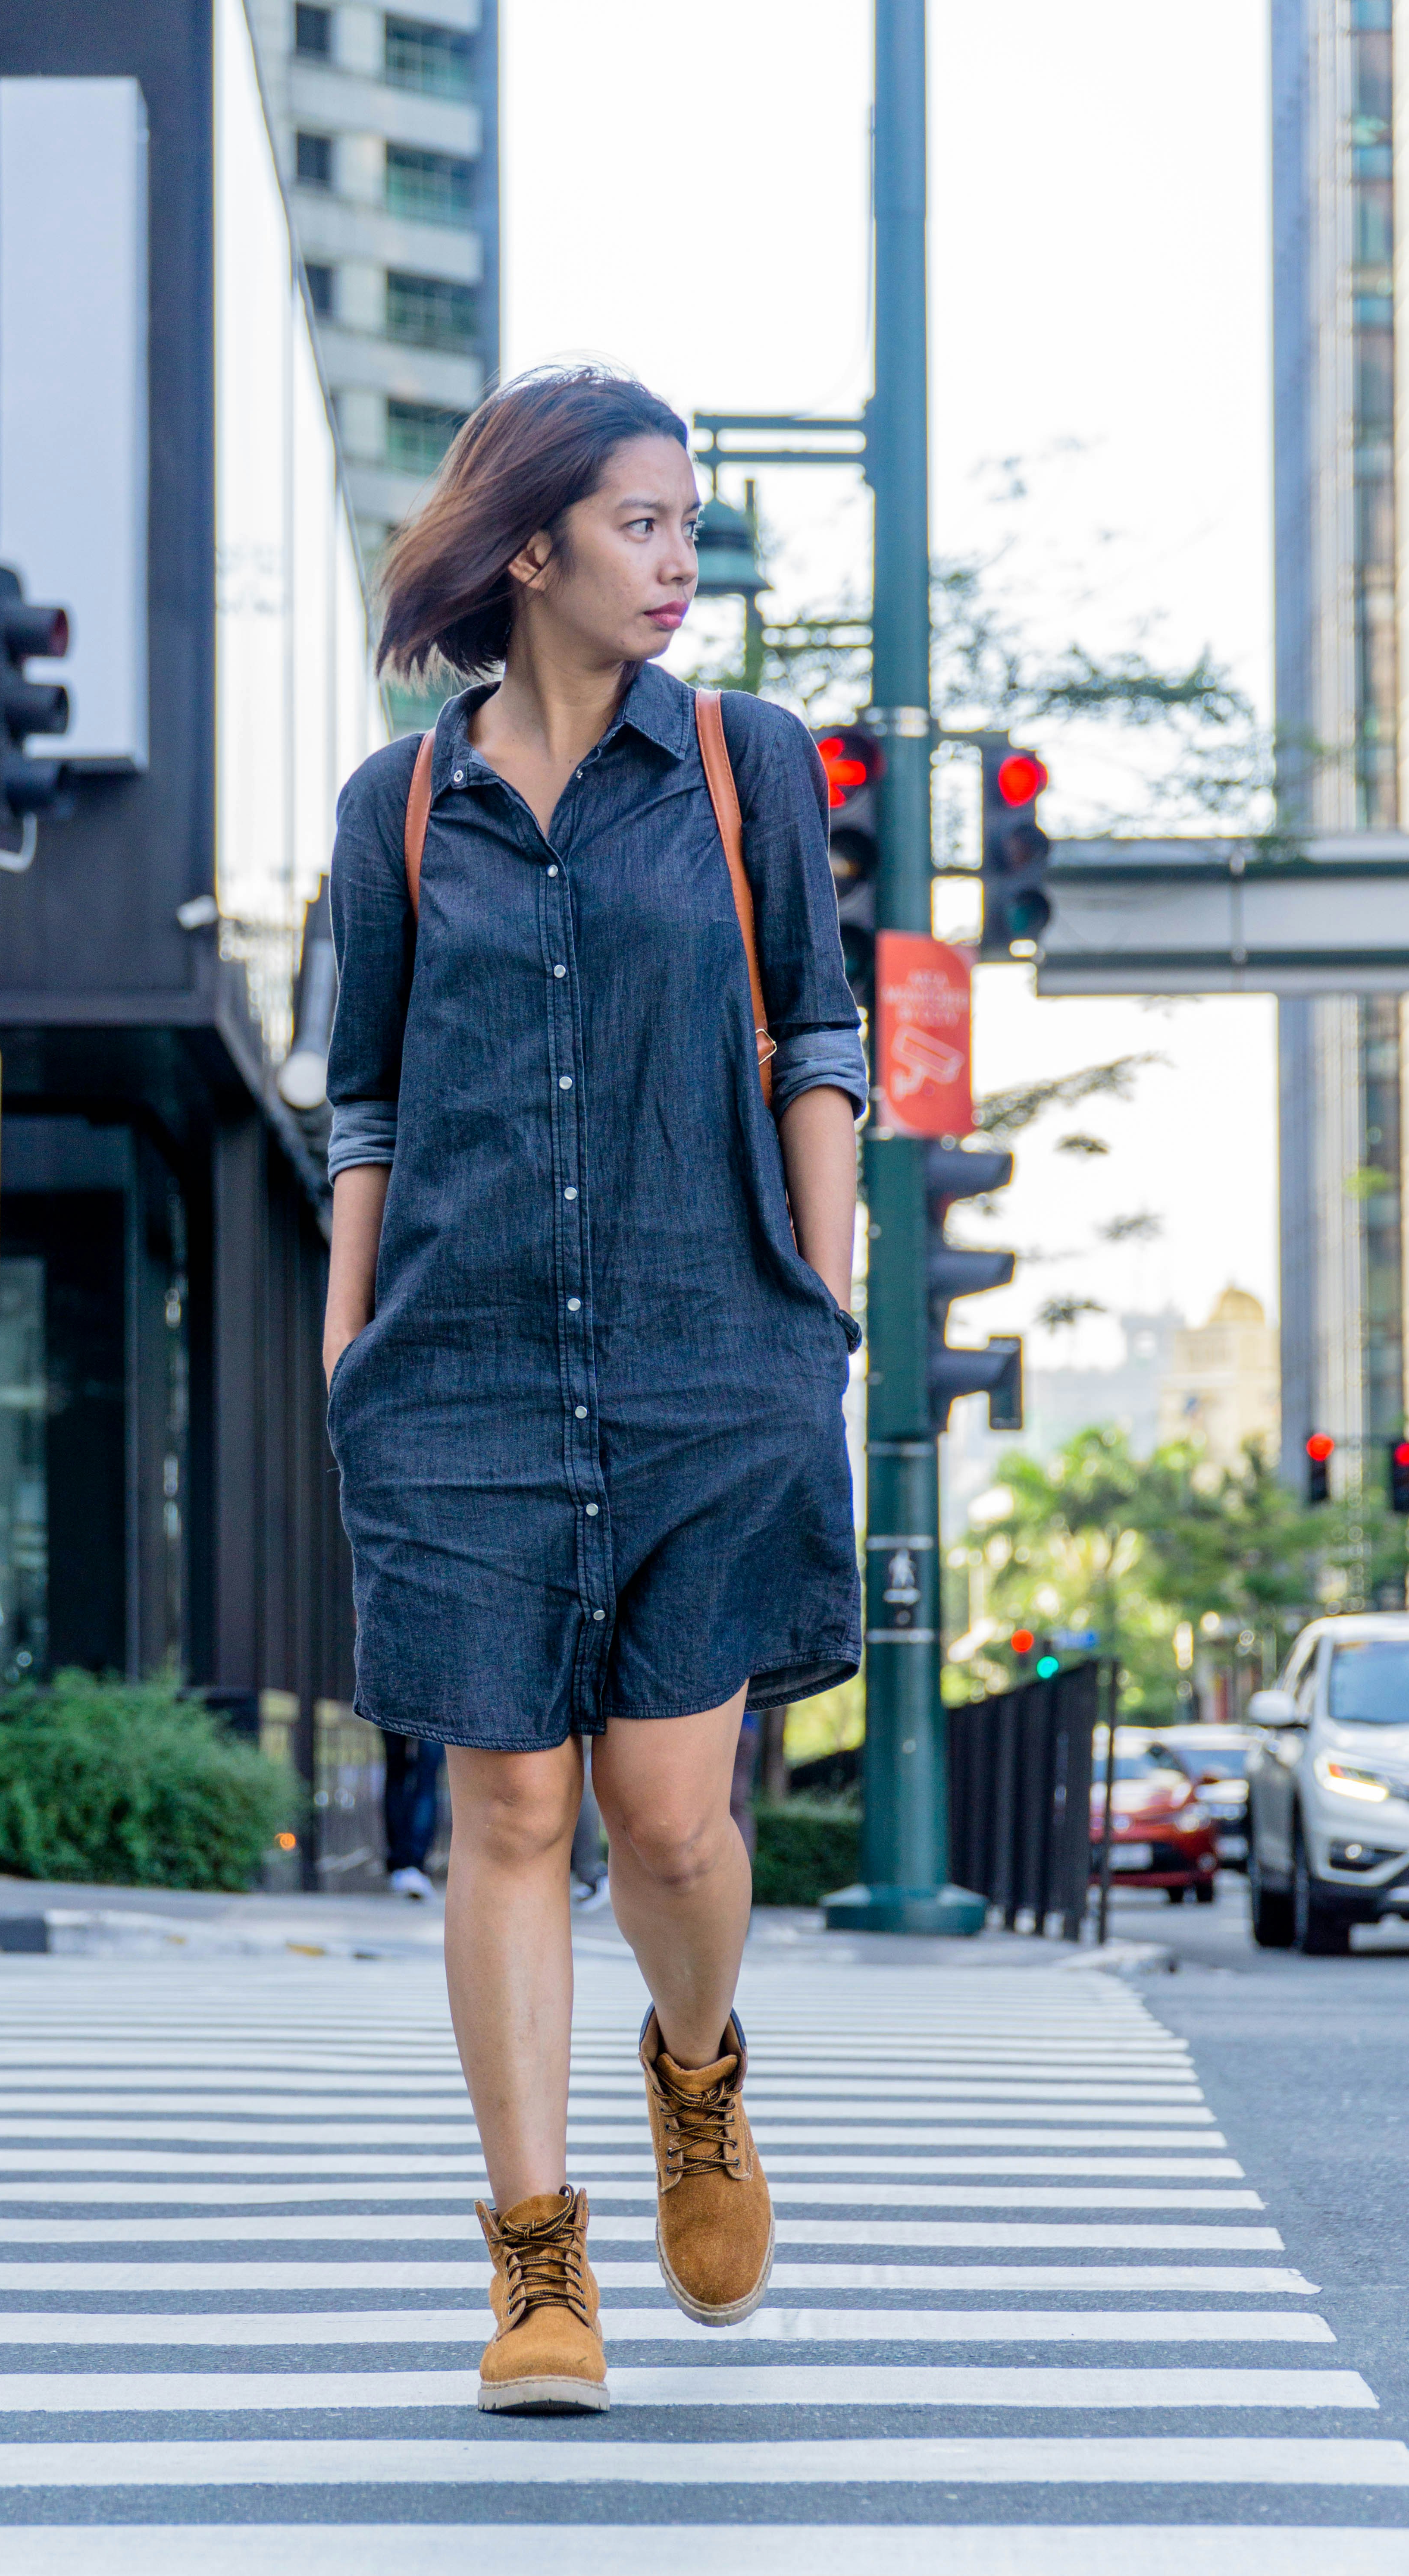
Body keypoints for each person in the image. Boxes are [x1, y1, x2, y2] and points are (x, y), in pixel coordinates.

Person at [321, 367, 866, 2415]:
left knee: (662, 1817)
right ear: (530, 543)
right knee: (508, 1802)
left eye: (691, 526)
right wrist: (349, 1331)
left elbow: (814, 1030)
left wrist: (815, 1288)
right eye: (645, 523)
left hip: (705, 1344)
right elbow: (360, 1089)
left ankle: (697, 2073)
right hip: (455, 1362)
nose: (679, 564)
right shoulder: (397, 803)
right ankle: (537, 2263)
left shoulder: (743, 764)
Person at [382, 1727, 444, 1898]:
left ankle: (401, 1864)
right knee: (427, 1780)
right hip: (438, 1703)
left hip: (392, 1700)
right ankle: (415, 1865)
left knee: (396, 1772)